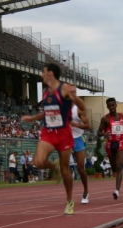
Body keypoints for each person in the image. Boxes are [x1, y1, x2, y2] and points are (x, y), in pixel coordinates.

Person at [21, 63, 86, 215]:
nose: (42, 75)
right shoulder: (45, 92)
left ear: (50, 73)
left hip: (64, 133)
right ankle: (53, 167)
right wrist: (32, 118)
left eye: (43, 72)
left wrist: (74, 95)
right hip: (48, 132)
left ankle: (69, 200)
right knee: (38, 162)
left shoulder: (64, 88)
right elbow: (47, 112)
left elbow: (82, 106)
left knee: (66, 170)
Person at [97, 97, 123, 200]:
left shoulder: (122, 116)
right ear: (107, 106)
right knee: (115, 168)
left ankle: (117, 190)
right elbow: (98, 132)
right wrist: (104, 133)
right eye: (109, 106)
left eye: (113, 105)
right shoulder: (105, 119)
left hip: (121, 143)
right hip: (110, 145)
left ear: (116, 105)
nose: (111, 107)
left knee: (119, 165)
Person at [70, 103, 91, 203]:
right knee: (64, 166)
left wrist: (76, 124)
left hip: (78, 138)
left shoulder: (78, 110)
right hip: (66, 138)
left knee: (80, 168)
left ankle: (86, 191)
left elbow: (88, 126)